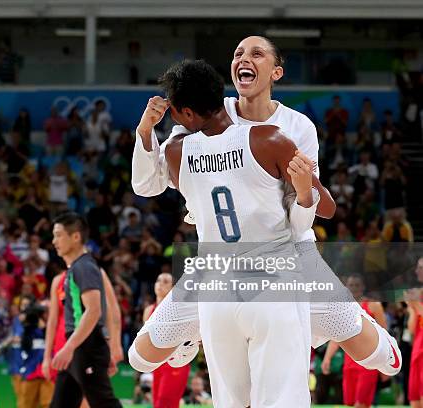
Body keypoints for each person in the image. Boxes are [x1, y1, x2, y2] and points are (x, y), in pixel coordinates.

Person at [129, 36, 401, 387]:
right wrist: (146, 131)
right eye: (238, 52)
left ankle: (355, 327)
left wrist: (304, 196)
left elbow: (311, 206)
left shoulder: (296, 127)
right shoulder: (207, 111)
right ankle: (192, 334)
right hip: (221, 264)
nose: (245, 57)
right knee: (140, 356)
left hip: (288, 258)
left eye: (257, 53)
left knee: (382, 359)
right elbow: (151, 182)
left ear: (276, 72)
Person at [49, 212, 121, 408]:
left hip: (85, 346)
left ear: (75, 237)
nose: (54, 241)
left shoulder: (84, 267)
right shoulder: (77, 268)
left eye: (58, 235)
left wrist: (69, 347)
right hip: (82, 347)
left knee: (104, 403)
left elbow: (94, 311)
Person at [322, 274, 386, 408]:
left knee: (360, 404)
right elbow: (337, 337)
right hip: (349, 364)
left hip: (369, 362)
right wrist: (327, 358)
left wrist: (384, 364)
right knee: (349, 404)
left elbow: (384, 335)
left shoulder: (374, 306)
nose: (354, 288)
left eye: (357, 285)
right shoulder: (342, 308)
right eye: (351, 285)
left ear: (363, 287)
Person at [143, 273, 189, 408]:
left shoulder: (179, 308)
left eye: (165, 281)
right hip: (156, 364)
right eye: (158, 280)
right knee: (157, 403)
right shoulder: (148, 310)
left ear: (173, 287)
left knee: (165, 403)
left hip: (174, 362)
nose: (160, 284)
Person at [405, 258, 423, 408]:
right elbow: (411, 329)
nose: (417, 271)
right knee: (415, 401)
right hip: (417, 354)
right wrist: (412, 308)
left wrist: (417, 306)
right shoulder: (419, 294)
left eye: (421, 268)